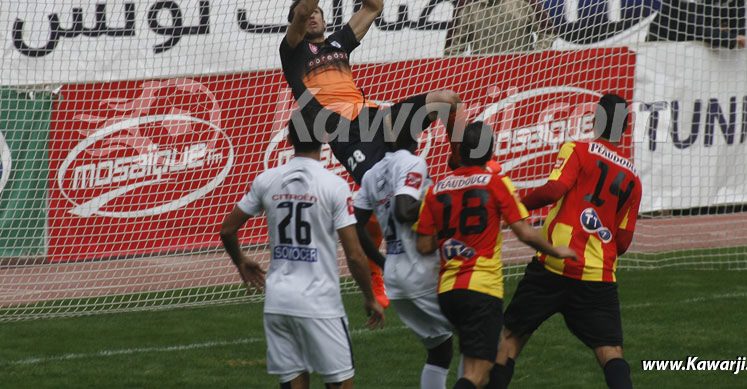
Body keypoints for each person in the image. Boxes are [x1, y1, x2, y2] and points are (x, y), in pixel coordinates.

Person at [281, 0, 463, 308]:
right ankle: (380, 275)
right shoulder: (293, 53)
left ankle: (461, 163)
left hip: (377, 117)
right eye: (307, 12)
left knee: (447, 100)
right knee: (379, 202)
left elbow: (374, 5)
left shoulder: (337, 45)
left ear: (325, 18)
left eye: (317, 12)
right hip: (345, 134)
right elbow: (300, 14)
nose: (312, 15)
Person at [219, 112, 385, 389]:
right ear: (323, 139)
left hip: (278, 303)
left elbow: (227, 230)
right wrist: (370, 297)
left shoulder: (267, 179)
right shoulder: (334, 185)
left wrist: (241, 261)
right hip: (320, 303)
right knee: (341, 384)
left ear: (288, 139)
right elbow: (355, 254)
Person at [487, 93, 642, 389]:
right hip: (598, 275)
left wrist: (514, 208)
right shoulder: (633, 178)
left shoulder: (578, 149)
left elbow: (553, 190)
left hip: (553, 265)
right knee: (610, 352)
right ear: (624, 128)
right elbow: (622, 242)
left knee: (510, 339)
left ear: (595, 120)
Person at [415, 121, 578, 389]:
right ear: (491, 152)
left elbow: (423, 246)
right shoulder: (495, 183)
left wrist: (452, 240)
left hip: (447, 292)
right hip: (480, 289)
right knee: (478, 374)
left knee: (475, 367)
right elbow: (525, 233)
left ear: (460, 152)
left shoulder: (437, 189)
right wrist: (555, 250)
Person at [354, 121, 455, 389]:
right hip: (421, 270)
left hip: (396, 277)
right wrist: (443, 205)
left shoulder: (372, 174)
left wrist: (381, 261)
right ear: (417, 141)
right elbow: (403, 209)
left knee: (440, 350)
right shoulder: (413, 164)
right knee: (479, 335)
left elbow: (358, 225)